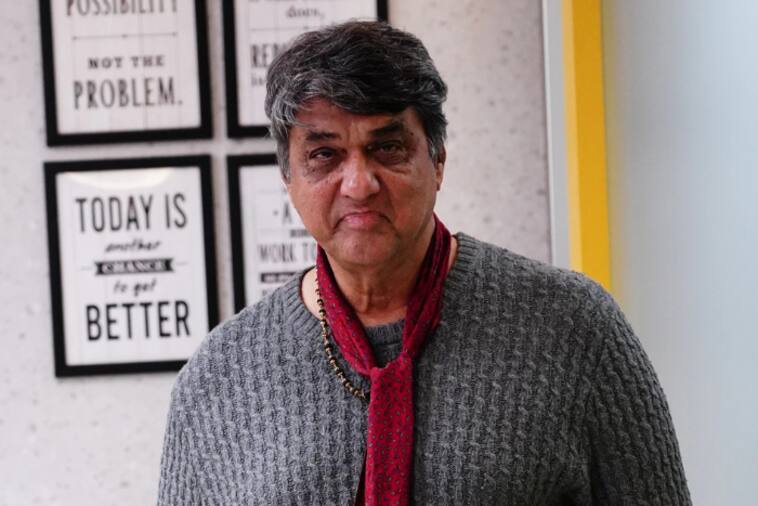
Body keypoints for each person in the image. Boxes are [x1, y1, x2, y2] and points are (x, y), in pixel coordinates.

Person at [158, 21, 691, 505]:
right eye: (324, 154)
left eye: (387, 148)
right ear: (287, 177)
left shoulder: (573, 328)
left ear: (437, 160)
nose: (359, 184)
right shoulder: (220, 377)